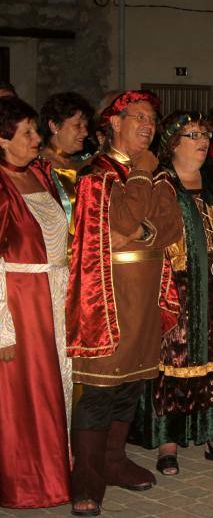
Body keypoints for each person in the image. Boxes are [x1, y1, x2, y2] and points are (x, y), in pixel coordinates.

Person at [67, 90, 183, 516]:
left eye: (152, 118)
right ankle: (87, 478)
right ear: (114, 122)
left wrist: (139, 233)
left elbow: (171, 226)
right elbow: (118, 220)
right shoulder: (96, 173)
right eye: (138, 116)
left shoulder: (155, 173)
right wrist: (142, 175)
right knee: (99, 389)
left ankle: (114, 462)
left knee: (131, 384)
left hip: (146, 290)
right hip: (107, 294)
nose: (148, 125)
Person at [129, 111, 213, 475]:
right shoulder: (159, 183)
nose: (203, 140)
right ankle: (167, 443)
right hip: (177, 291)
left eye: (205, 133)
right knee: (175, 365)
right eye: (193, 134)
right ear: (173, 142)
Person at [0, 97, 71, 509]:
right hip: (20, 302)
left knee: (54, 389)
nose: (36, 138)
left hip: (52, 294)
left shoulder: (40, 175)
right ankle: (26, 483)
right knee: (26, 396)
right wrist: (3, 328)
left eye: (34, 130)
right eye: (26, 132)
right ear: (2, 139)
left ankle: (55, 472)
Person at [38, 92, 95, 231]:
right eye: (78, 125)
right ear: (54, 126)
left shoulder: (84, 163)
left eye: (85, 126)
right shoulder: (38, 167)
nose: (85, 132)